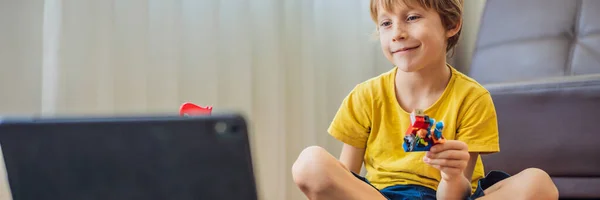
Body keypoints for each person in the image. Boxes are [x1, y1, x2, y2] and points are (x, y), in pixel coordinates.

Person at [291, 0, 559, 199]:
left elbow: (455, 194)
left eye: (412, 17)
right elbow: (346, 181)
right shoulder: (365, 96)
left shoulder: (473, 98)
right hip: (381, 196)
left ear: (451, 25)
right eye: (386, 23)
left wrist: (452, 176)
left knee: (539, 183)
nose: (397, 32)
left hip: (451, 194)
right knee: (310, 163)